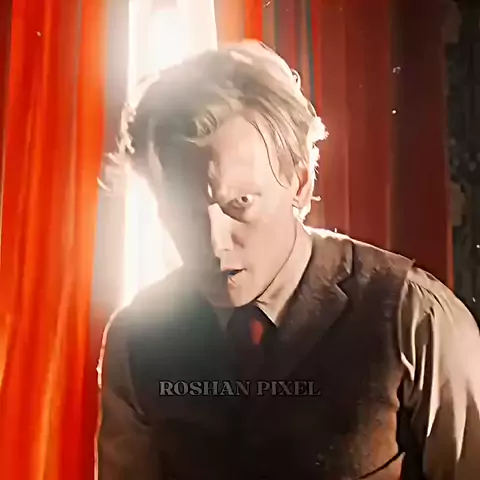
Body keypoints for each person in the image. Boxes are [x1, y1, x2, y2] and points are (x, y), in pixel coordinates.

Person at [95, 41, 480, 480]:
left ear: (299, 183)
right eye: (183, 211)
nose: (214, 243)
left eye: (241, 202)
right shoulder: (136, 339)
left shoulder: (414, 318)